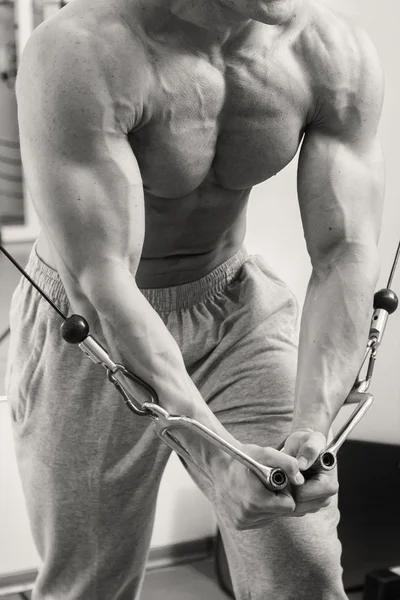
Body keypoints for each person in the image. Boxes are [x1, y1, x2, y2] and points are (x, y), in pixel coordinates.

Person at [6, 0, 384, 598]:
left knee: (304, 566)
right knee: (88, 586)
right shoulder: (81, 49)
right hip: (88, 323)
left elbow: (343, 257)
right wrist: (214, 456)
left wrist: (310, 430)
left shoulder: (330, 53)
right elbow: (102, 281)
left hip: (233, 305)